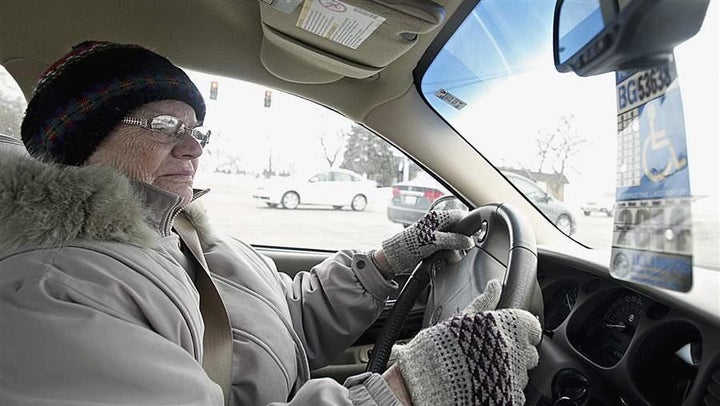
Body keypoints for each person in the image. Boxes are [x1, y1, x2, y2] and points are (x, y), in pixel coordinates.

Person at [0, 41, 541, 405]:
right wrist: (405, 389)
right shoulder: (48, 292)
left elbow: (287, 316)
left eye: (198, 130)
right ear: (79, 143)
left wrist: (384, 264)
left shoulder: (180, 230)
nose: (193, 147)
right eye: (166, 124)